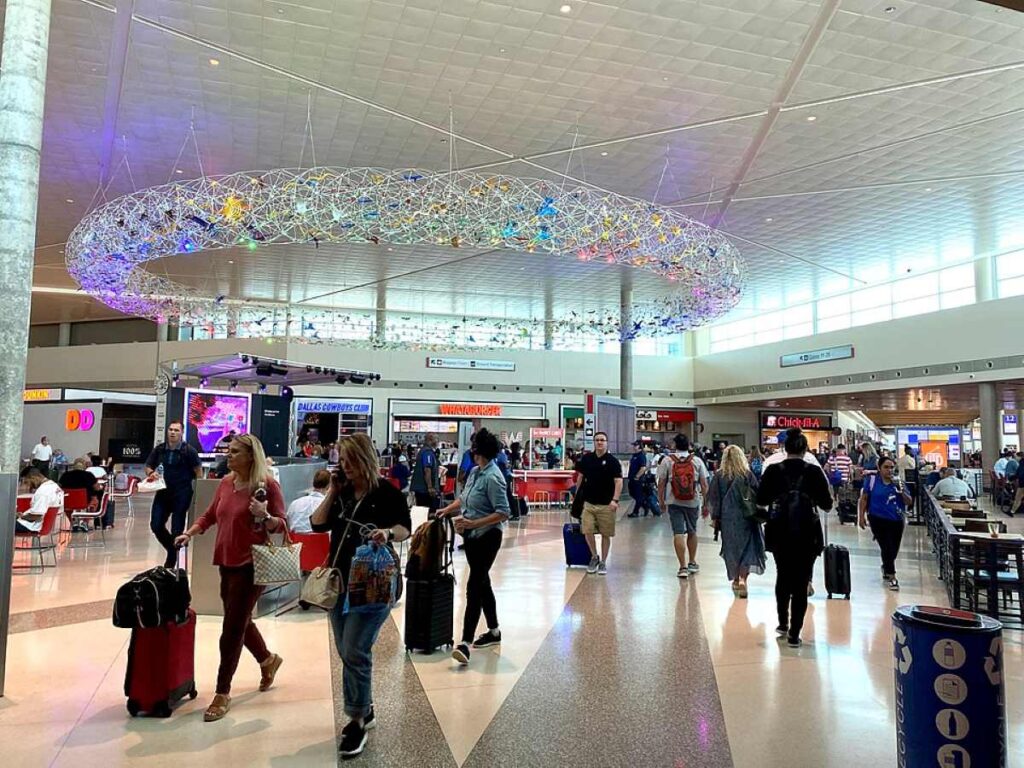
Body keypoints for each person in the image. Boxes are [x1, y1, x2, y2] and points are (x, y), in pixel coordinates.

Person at [310, 433, 411, 759]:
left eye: (352, 461)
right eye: (342, 462)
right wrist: (333, 491)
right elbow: (316, 524)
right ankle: (364, 707)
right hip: (339, 581)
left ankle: (355, 721)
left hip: (374, 583)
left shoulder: (387, 493)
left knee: (355, 648)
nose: (347, 467)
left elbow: (404, 528)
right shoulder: (341, 493)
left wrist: (386, 533)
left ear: (366, 459)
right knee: (345, 650)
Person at [174, 434, 286, 723]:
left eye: (235, 452)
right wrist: (190, 532)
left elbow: (281, 526)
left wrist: (265, 515)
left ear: (251, 456)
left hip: (252, 564)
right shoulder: (225, 483)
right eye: (229, 450)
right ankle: (268, 660)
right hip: (225, 560)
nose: (229, 455)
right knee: (240, 619)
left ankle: (222, 692)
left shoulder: (266, 487)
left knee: (232, 627)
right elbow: (211, 515)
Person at [438, 429, 510, 666]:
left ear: (478, 450)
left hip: (488, 537)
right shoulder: (475, 472)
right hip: (471, 537)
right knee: (483, 582)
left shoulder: (493, 477)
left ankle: (465, 643)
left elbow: (503, 512)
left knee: (474, 585)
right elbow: (466, 498)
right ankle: (494, 631)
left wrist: (472, 523)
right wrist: (448, 510)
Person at [756, 429, 832, 648]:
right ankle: (795, 634)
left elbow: (761, 500)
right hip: (807, 532)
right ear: (805, 449)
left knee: (783, 575)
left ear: (785, 448)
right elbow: (826, 504)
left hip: (779, 530)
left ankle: (782, 623)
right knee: (801, 581)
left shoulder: (772, 470)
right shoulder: (814, 472)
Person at [708, 445, 765, 598]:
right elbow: (758, 494)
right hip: (747, 517)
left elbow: (714, 499)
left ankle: (734, 579)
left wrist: (715, 518)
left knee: (731, 549)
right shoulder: (747, 474)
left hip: (727, 519)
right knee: (748, 548)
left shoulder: (719, 476)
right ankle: (742, 580)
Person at [146, 421, 203, 568]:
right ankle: (171, 548)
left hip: (182, 493)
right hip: (163, 492)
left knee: (177, 528)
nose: (172, 432)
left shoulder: (189, 451)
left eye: (176, 430)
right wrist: (151, 473)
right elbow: (148, 466)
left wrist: (199, 490)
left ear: (182, 433)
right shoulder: (159, 450)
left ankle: (172, 562)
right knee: (156, 524)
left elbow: (198, 471)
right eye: (170, 429)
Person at [657, 433, 710, 579]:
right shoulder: (697, 461)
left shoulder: (667, 460)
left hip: (674, 501)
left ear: (674, 445)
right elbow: (704, 484)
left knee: (678, 533)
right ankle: (692, 562)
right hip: (693, 502)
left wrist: (661, 501)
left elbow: (661, 483)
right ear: (688, 445)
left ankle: (682, 567)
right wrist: (706, 504)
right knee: (692, 531)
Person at [859, 456, 912, 591]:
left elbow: (909, 502)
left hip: (896, 519)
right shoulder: (871, 481)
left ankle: (886, 566)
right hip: (877, 518)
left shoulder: (899, 482)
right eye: (886, 467)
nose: (889, 470)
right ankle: (892, 576)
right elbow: (864, 499)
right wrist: (861, 516)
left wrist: (900, 491)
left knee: (893, 548)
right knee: (886, 546)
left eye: (892, 467)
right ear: (879, 468)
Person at [573, 431, 622, 575]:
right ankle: (594, 556)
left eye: (602, 440)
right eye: (597, 440)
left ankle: (603, 562)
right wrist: (577, 496)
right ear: (594, 442)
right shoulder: (587, 459)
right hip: (589, 503)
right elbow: (580, 477)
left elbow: (618, 481)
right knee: (587, 530)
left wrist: (615, 500)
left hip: (606, 504)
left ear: (606, 442)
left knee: (606, 534)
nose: (600, 442)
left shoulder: (612, 461)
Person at [17, 468, 63, 533]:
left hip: (31, 526)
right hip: (47, 524)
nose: (29, 486)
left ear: (33, 477)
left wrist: (21, 517)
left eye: (27, 482)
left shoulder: (42, 492)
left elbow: (36, 516)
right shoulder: (55, 486)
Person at [285, 469, 331, 534]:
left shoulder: (294, 503)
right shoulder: (328, 506)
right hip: (322, 542)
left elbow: (288, 527)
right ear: (329, 486)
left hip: (297, 542)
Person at [410, 432, 441, 516]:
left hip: (421, 489)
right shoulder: (427, 452)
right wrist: (430, 487)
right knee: (429, 513)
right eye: (436, 439)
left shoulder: (423, 451)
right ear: (430, 439)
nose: (438, 441)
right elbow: (427, 469)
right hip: (425, 490)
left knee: (422, 513)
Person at [626, 441, 649, 519]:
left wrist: (637, 477)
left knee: (638, 495)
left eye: (635, 445)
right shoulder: (634, 456)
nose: (634, 447)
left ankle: (636, 512)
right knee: (632, 493)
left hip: (637, 480)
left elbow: (643, 468)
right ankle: (645, 505)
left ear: (639, 446)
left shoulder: (641, 456)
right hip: (632, 479)